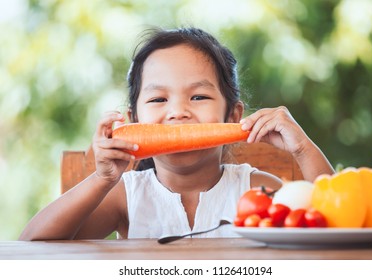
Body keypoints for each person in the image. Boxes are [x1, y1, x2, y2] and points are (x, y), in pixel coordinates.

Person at [19, 27, 334, 241]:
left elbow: (335, 226)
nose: (177, 112)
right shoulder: (124, 196)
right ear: (133, 120)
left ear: (233, 115)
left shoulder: (255, 189)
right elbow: (34, 243)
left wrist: (303, 150)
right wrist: (102, 180)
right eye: (158, 100)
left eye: (198, 97)